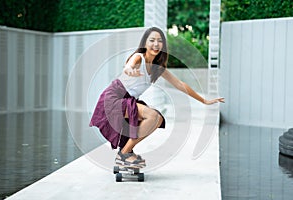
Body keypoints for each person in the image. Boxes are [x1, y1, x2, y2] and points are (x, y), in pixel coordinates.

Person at [89, 27, 224, 168]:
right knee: (152, 117)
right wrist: (128, 70)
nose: (156, 44)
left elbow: (180, 84)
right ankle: (124, 154)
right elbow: (128, 66)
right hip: (114, 98)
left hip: (127, 99)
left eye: (159, 41)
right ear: (145, 44)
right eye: (152, 40)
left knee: (157, 119)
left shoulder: (158, 68)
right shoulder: (138, 58)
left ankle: (126, 152)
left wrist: (204, 100)